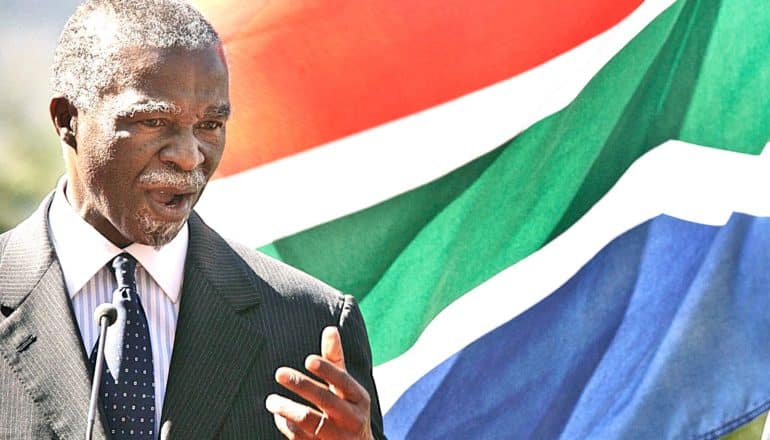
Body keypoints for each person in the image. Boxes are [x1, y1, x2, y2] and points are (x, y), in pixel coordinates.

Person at [0, 0, 385, 438]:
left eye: (210, 125)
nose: (188, 156)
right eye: (153, 120)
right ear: (67, 118)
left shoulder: (310, 325)